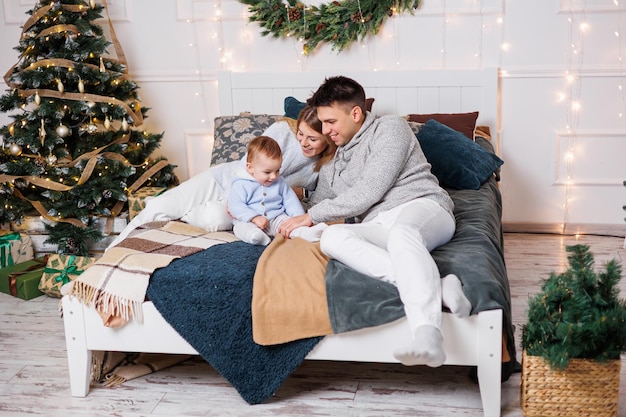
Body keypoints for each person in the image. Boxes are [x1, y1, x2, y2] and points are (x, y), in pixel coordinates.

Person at [278, 76, 472, 368]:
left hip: (422, 207)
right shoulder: (335, 159)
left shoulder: (390, 127)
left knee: (403, 235)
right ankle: (440, 286)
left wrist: (309, 216)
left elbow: (369, 191)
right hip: (381, 224)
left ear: (355, 113)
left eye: (330, 122)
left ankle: (428, 333)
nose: (325, 130)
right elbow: (321, 204)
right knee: (332, 239)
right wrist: (283, 208)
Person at [108, 106, 335, 247]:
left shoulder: (325, 165)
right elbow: (248, 164)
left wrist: (298, 194)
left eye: (312, 139)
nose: (303, 142)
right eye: (301, 134)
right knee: (160, 207)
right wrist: (233, 199)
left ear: (327, 137)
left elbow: (314, 200)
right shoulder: (282, 131)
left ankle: (185, 216)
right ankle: (112, 251)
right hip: (224, 181)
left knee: (211, 220)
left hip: (252, 211)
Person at [228, 136, 327, 246]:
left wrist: (298, 219)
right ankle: (255, 237)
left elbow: (291, 201)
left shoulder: (280, 182)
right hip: (250, 221)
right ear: (250, 168)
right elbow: (236, 206)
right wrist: (254, 217)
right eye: (267, 172)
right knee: (240, 227)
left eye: (277, 170)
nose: (273, 176)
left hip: (276, 218)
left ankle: (307, 233)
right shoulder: (241, 184)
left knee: (289, 226)